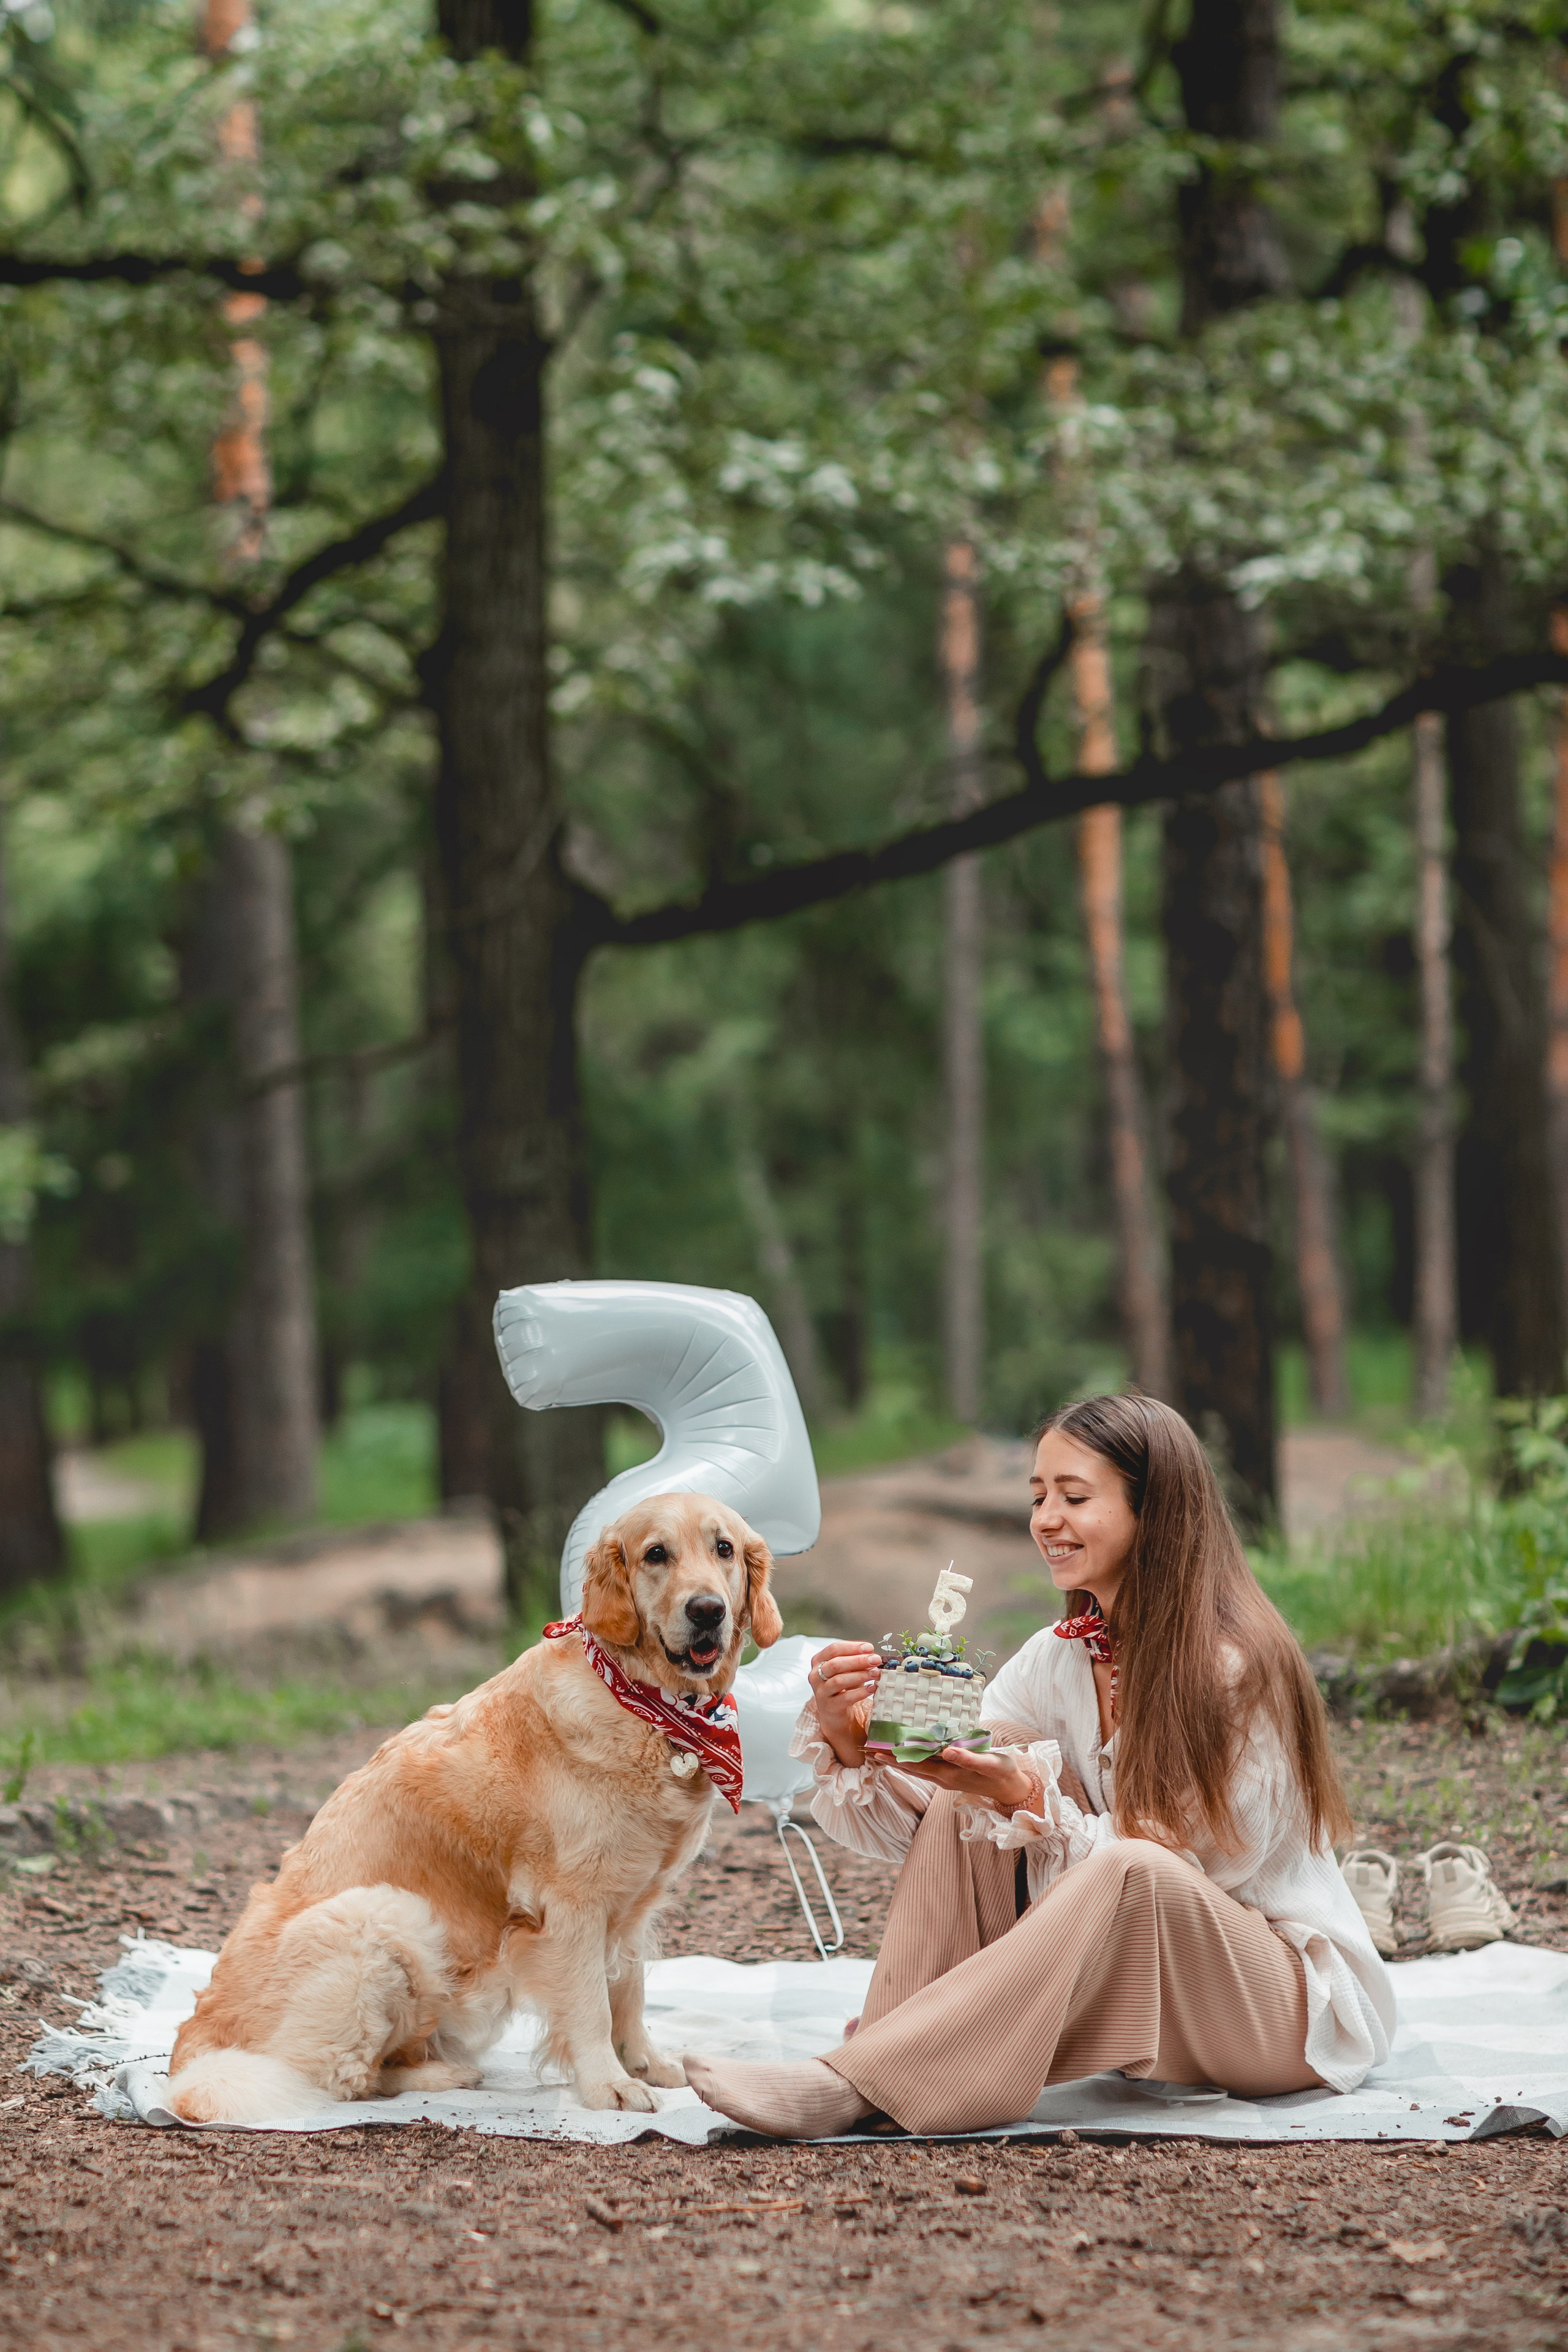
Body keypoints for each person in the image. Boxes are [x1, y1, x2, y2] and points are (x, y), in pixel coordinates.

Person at [684, 1392, 1395, 2139]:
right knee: (971, 1806)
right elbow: (928, 1836)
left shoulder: (1235, 1667)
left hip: (1279, 2008)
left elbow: (1189, 1880)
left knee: (1133, 1868)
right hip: (1150, 2004)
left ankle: (866, 2075)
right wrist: (854, 1739)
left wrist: (1025, 1793)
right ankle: (883, 2060)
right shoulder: (1053, 1662)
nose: (1045, 1519)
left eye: (1074, 1496)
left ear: (1155, 1509)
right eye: (1037, 1496)